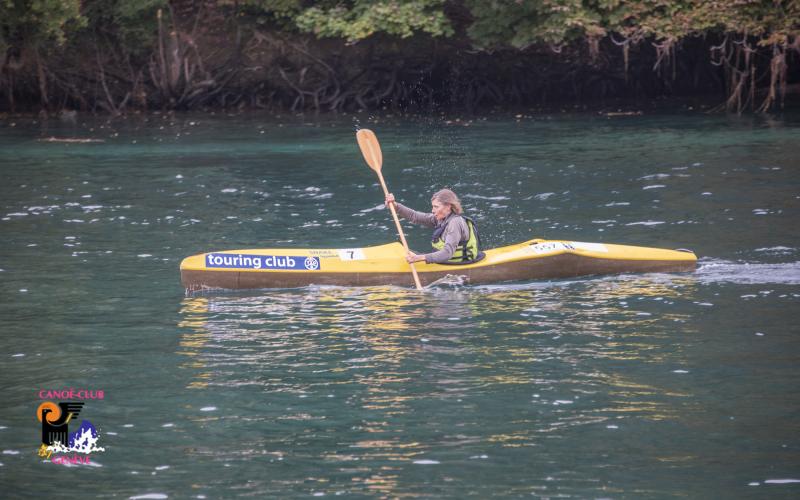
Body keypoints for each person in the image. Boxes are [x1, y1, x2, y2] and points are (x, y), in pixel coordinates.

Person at [385, 188, 484, 265]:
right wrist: (395, 205)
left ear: (448, 206)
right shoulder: (440, 219)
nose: (433, 210)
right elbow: (414, 216)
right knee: (405, 253)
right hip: (446, 262)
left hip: (457, 264)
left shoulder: (455, 223)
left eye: (436, 207)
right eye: (433, 206)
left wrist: (419, 258)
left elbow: (447, 253)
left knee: (410, 256)